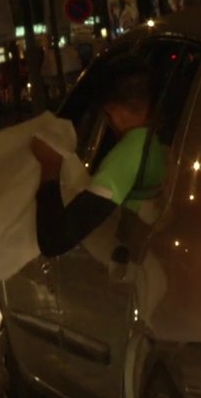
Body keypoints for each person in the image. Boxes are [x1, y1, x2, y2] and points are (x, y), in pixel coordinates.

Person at [29, 55, 163, 257]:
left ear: (111, 111)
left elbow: (55, 240)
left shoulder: (133, 150)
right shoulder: (158, 140)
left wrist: (49, 166)